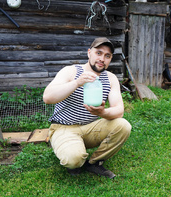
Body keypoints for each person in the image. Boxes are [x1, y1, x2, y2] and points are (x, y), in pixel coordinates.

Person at [43, 37, 131, 178]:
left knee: (123, 125)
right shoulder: (71, 71)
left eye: (107, 56)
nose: (102, 59)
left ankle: (95, 162)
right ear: (89, 52)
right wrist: (77, 83)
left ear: (110, 59)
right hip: (64, 127)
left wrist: (103, 112)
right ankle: (72, 153)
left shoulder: (110, 78)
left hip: (91, 127)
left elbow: (119, 110)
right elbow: (47, 97)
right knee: (73, 160)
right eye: (98, 53)